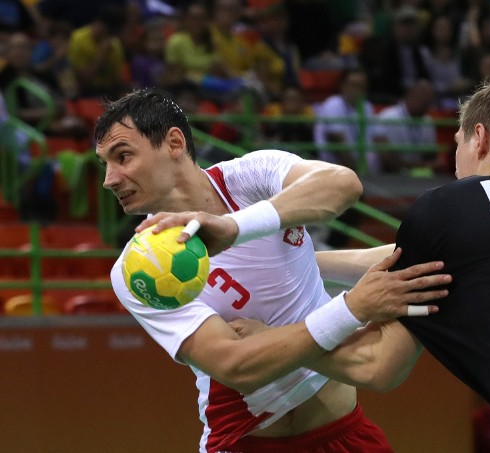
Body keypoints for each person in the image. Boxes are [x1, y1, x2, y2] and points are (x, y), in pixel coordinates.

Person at [236, 70, 490, 452]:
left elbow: (378, 366)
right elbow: (420, 255)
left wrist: (272, 339)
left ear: (479, 138)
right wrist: (302, 260)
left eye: (458, 143)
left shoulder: (447, 207)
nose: (455, 159)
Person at [94, 87, 449, 453]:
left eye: (123, 156)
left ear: (173, 143)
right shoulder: (137, 269)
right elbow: (236, 367)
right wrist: (352, 308)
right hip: (247, 443)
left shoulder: (249, 176)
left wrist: (234, 228)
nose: (110, 179)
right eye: (105, 163)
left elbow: (343, 184)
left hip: (347, 435)